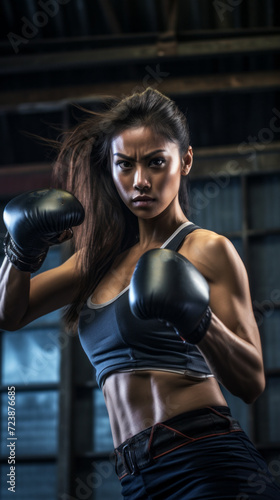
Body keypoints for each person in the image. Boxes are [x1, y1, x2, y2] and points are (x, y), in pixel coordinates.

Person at [0, 88, 279, 500]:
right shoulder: (96, 262)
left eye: (155, 162)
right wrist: (19, 251)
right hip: (136, 480)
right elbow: (11, 313)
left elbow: (252, 381)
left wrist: (200, 321)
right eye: (124, 165)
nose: (140, 181)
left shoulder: (206, 249)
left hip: (208, 461)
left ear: (184, 161)